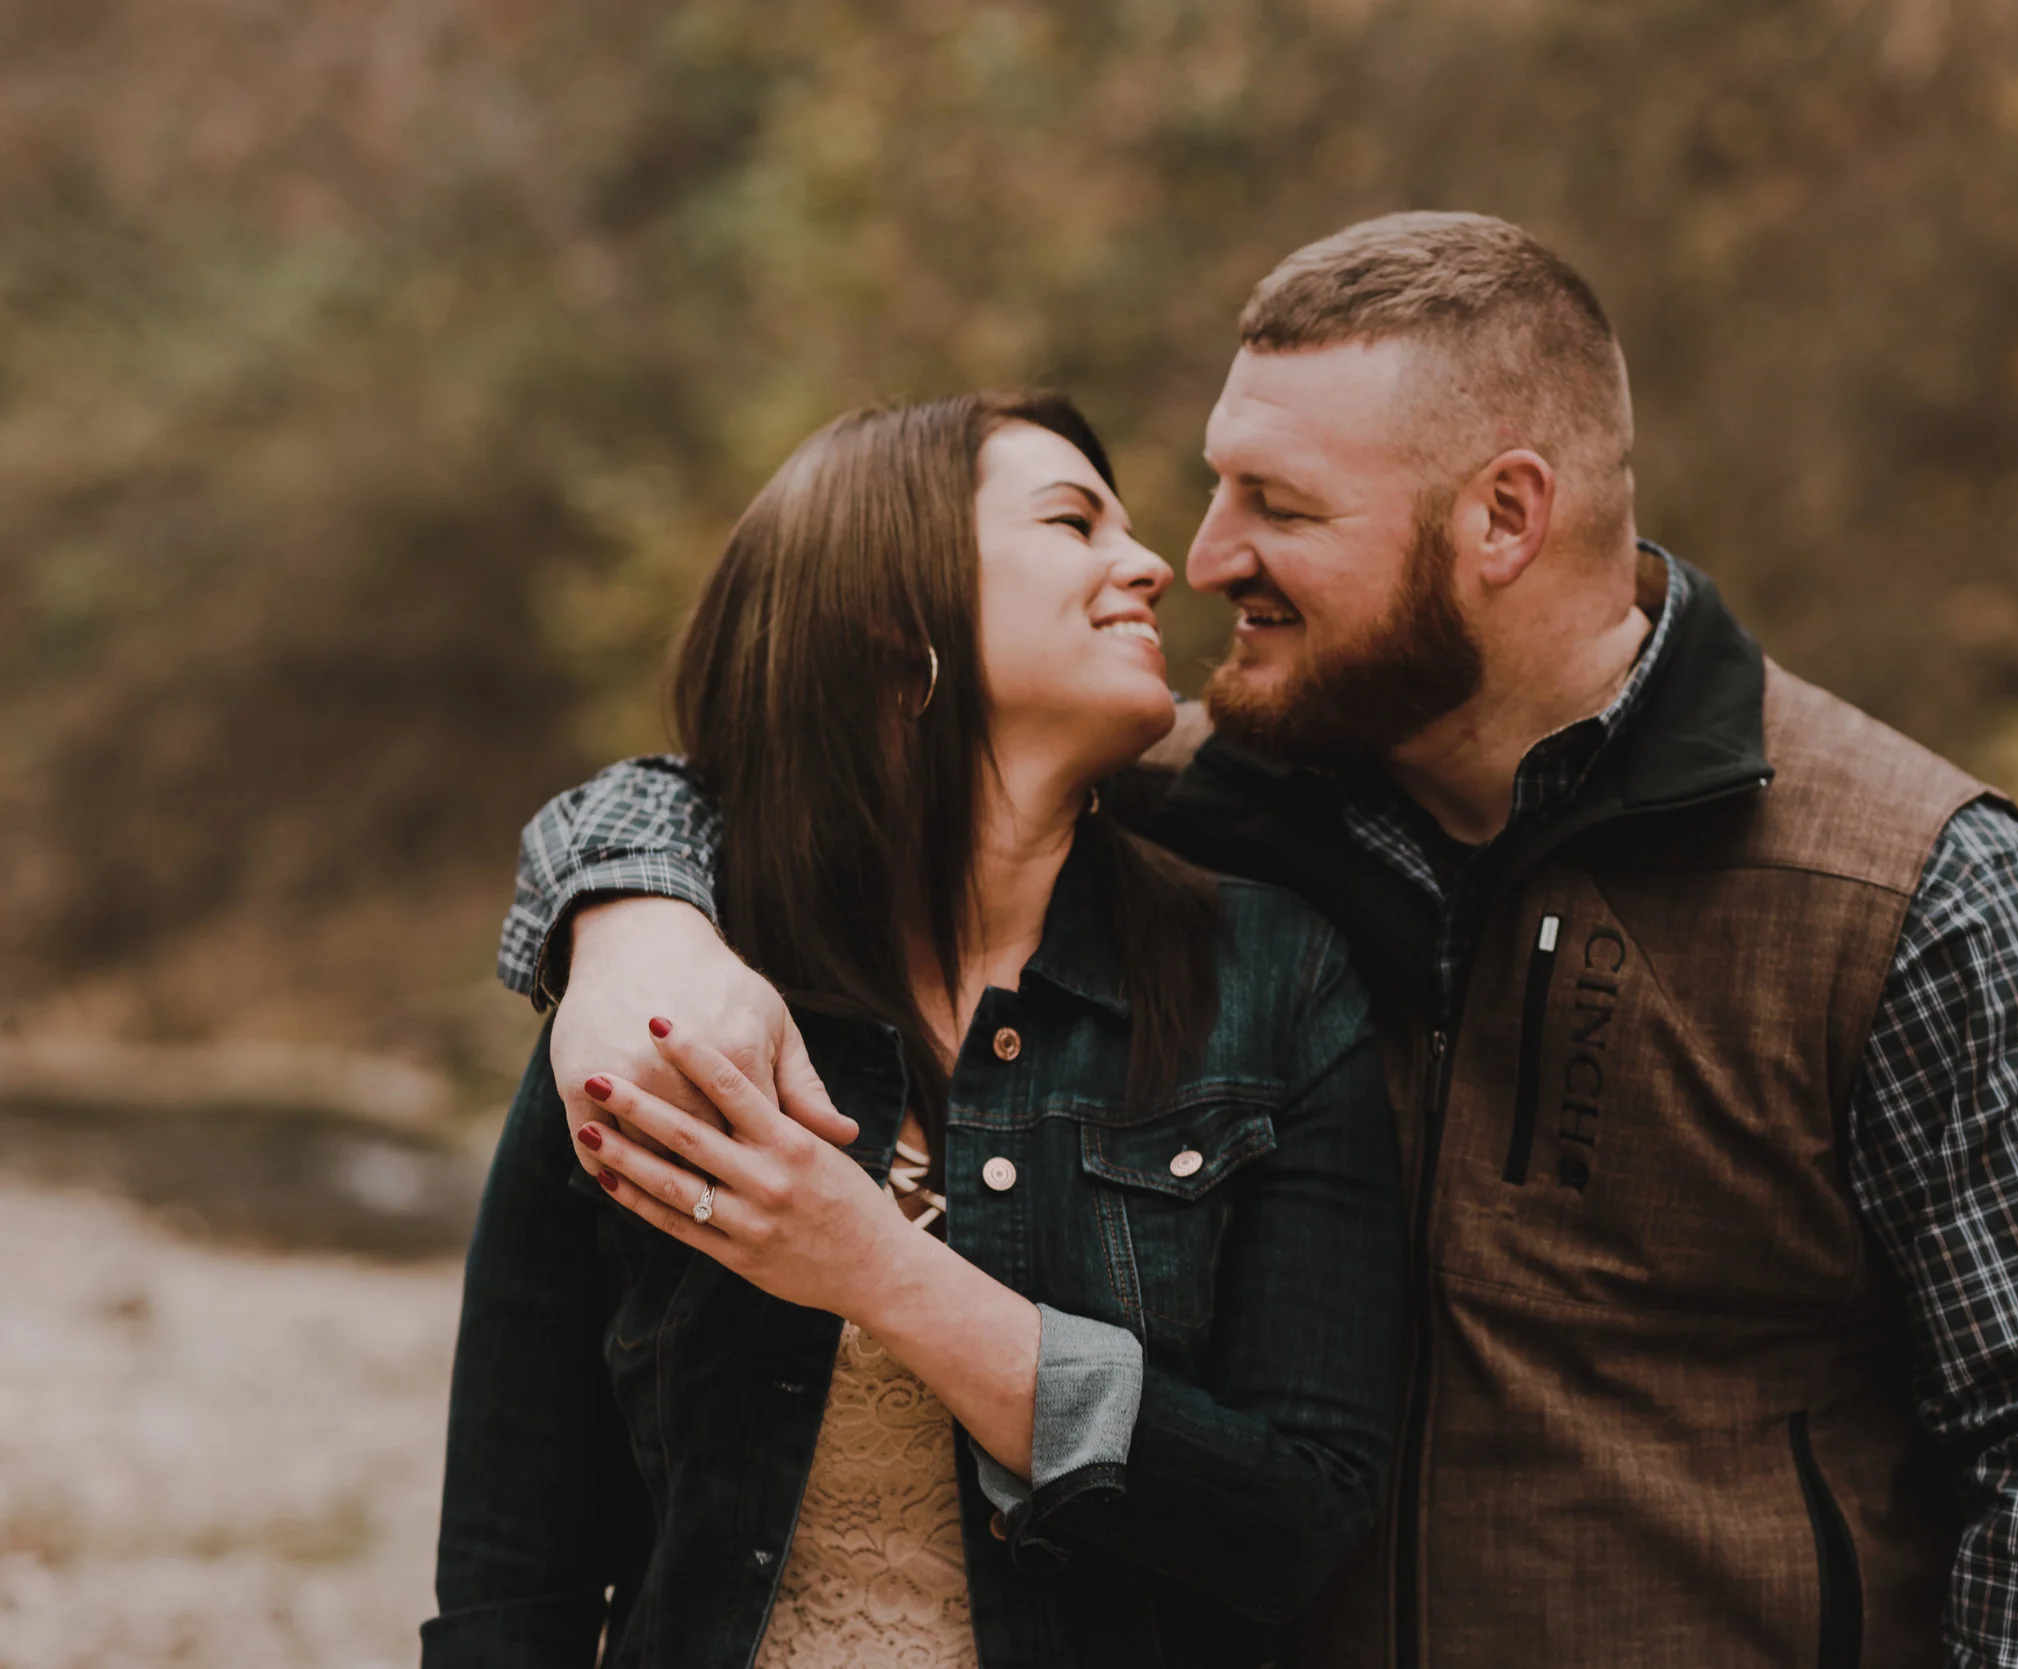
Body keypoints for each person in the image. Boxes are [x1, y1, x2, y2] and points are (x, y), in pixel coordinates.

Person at [501, 215, 2018, 1668]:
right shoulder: (1199, 802)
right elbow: (807, 778)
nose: (1205, 553)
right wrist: (629, 911)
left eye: (1280, 504)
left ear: (1502, 517)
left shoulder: (1929, 902)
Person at [423, 392, 1407, 1669]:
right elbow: (515, 1570)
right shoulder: (673, 977)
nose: (1155, 561)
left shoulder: (1270, 971)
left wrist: (876, 1268)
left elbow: (1295, 1517)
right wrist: (621, 925)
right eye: (1074, 520)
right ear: (898, 626)